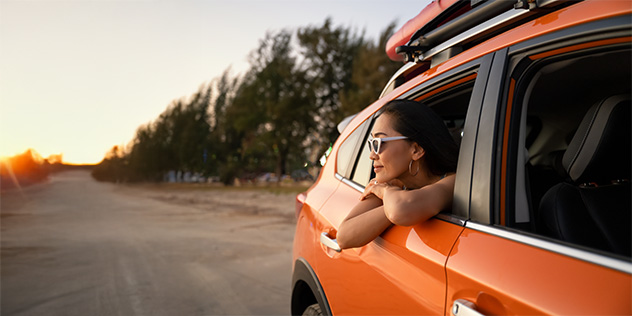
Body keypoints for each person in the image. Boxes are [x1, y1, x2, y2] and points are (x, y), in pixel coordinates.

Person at [336, 99, 459, 249]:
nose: (372, 155)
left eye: (380, 143)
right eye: (372, 143)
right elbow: (344, 237)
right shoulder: (393, 183)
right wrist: (391, 198)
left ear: (416, 150)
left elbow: (399, 210)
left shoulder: (453, 183)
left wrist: (386, 192)